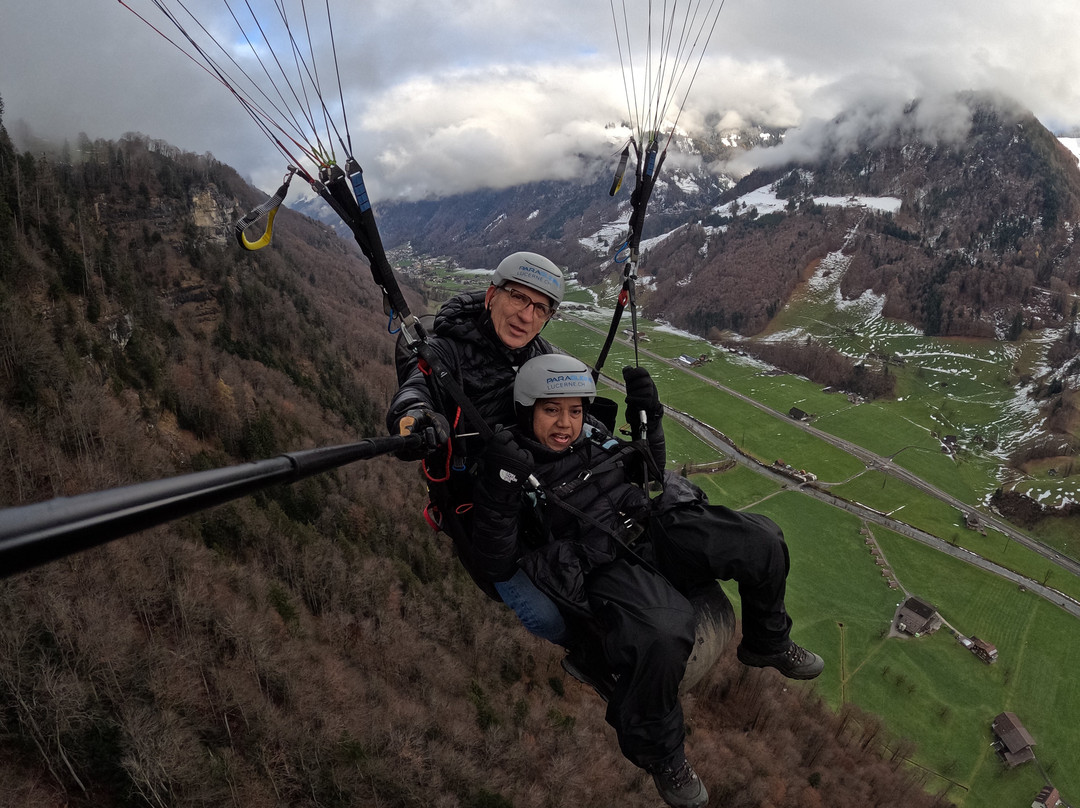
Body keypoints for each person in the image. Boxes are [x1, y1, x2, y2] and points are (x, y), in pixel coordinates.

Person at [470, 353, 825, 808]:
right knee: (665, 628)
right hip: (601, 561)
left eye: (575, 410)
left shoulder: (594, 438)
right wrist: (500, 489)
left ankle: (768, 641)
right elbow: (495, 561)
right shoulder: (512, 467)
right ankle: (661, 754)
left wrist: (649, 420)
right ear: (526, 411)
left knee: (761, 539)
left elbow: (650, 475)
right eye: (551, 410)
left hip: (650, 526)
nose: (565, 423)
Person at [387, 251, 570, 644]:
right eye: (519, 299)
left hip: (536, 493)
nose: (527, 316)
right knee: (550, 617)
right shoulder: (444, 352)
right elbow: (415, 391)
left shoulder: (541, 356)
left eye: (540, 308)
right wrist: (417, 419)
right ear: (491, 296)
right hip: (476, 508)